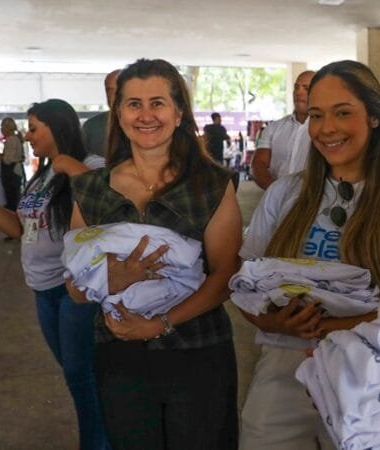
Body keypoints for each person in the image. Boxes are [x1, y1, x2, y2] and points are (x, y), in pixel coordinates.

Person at [238, 60, 380, 450]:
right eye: (316, 115)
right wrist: (276, 323)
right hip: (282, 374)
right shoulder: (284, 194)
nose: (326, 128)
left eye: (342, 113)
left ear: (375, 118)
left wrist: (326, 328)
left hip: (370, 376)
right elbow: (244, 284)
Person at [67, 58, 241, 450]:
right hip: (119, 354)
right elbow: (74, 288)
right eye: (133, 104)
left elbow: (225, 276)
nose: (146, 115)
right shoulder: (91, 189)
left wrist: (160, 323)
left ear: (179, 112)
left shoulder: (211, 184)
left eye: (157, 103)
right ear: (119, 113)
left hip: (198, 351)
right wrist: (109, 279)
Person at [0, 99, 109, 450]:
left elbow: (111, 198)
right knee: (77, 374)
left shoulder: (89, 165)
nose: (26, 136)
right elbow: (18, 227)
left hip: (72, 288)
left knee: (81, 375)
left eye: (33, 128)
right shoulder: (39, 176)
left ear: (57, 128)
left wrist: (68, 166)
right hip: (42, 289)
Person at [251, 70, 315, 189]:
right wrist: (276, 192)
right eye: (296, 87)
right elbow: (258, 164)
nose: (298, 92)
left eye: (306, 88)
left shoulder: (325, 130)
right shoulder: (273, 128)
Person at [82, 69, 121, 157]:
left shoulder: (143, 124)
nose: (113, 96)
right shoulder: (91, 127)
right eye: (109, 90)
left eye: (118, 90)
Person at [0, 117, 25, 211]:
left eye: (2, 127)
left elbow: (8, 160)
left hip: (11, 173)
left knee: (12, 200)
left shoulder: (11, 139)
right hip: (15, 172)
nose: (1, 129)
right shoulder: (15, 138)